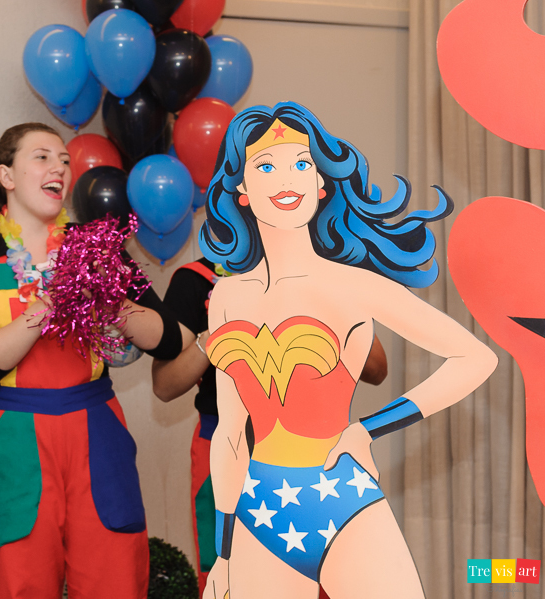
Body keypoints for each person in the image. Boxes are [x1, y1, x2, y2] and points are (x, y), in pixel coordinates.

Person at [197, 103, 497, 598]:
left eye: (301, 163)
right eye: (266, 166)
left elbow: (475, 358)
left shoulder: (356, 286)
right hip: (259, 511)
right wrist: (222, 557)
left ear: (321, 183)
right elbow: (230, 434)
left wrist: (368, 429)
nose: (285, 179)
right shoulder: (227, 296)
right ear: (243, 192)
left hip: (344, 498)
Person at [0, 123, 185, 599]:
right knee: (22, 583)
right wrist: (54, 297)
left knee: (115, 579)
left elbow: (171, 339)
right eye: (42, 157)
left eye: (64, 160)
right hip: (11, 437)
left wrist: (112, 306)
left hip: (96, 432)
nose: (60, 167)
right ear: (6, 176)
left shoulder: (95, 247)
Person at [152, 257, 388, 596]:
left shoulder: (320, 271)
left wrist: (321, 301)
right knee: (231, 579)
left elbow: (377, 370)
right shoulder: (195, 279)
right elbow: (165, 385)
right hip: (226, 448)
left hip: (310, 450)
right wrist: (216, 330)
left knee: (319, 576)